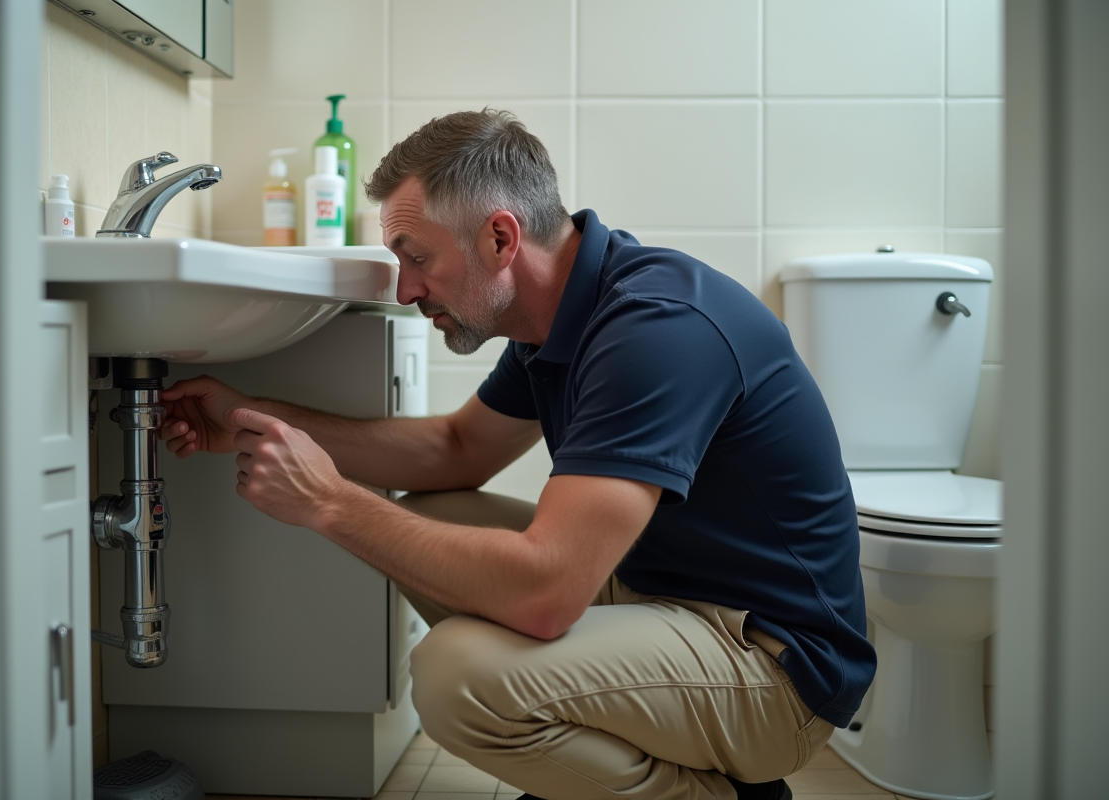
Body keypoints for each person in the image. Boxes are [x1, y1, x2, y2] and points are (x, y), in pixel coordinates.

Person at [160, 110, 876, 800]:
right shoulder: (559, 316)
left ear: (500, 238)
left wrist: (328, 502)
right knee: (443, 508)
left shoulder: (655, 330)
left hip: (773, 665)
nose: (406, 289)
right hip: (663, 599)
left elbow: (546, 594)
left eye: (417, 258)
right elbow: (457, 449)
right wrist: (248, 417)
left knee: (453, 677)